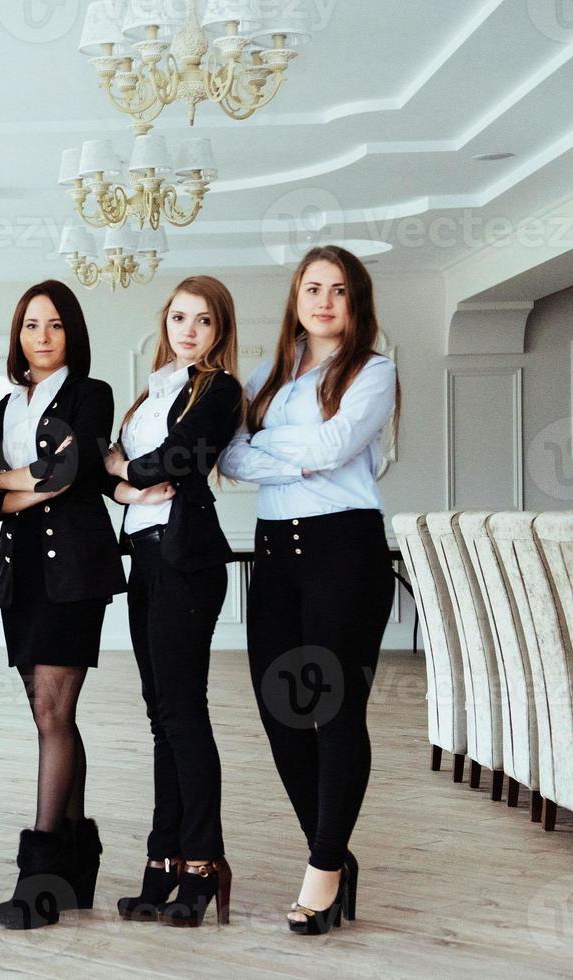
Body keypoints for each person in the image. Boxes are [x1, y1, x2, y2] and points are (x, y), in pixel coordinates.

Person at [218, 245, 399, 935]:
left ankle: (321, 875)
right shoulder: (269, 373)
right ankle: (335, 855)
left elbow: (334, 450)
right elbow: (231, 455)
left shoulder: (374, 371)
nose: (324, 301)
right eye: (313, 288)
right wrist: (304, 450)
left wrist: (281, 453)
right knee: (281, 714)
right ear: (296, 296)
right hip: (275, 557)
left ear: (356, 305)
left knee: (334, 713)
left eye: (340, 291)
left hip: (342, 552)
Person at [104, 275, 243, 928]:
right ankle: (162, 861)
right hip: (146, 558)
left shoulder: (218, 389)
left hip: (188, 560)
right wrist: (128, 485)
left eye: (204, 321)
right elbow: (116, 462)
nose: (188, 330)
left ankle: (201, 862)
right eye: (180, 317)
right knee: (161, 715)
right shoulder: (152, 390)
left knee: (184, 712)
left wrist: (126, 473)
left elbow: (182, 457)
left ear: (220, 331)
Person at [0, 281, 126, 930]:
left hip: (75, 572)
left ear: (72, 333)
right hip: (22, 579)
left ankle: (41, 876)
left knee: (52, 713)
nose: (41, 336)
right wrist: (30, 479)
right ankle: (78, 863)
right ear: (17, 335)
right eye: (30, 325)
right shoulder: (2, 408)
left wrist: (20, 480)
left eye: (54, 325)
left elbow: (77, 475)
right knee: (53, 717)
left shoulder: (90, 395)